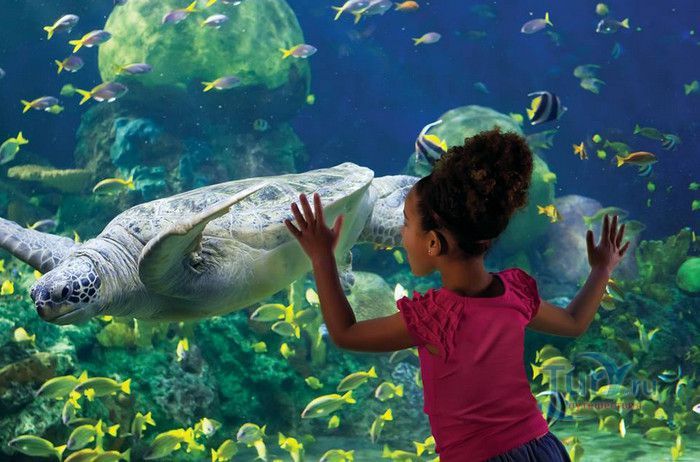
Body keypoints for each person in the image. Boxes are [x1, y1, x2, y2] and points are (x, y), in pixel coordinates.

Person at [284, 127, 630, 462]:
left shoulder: (437, 317)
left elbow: (346, 333)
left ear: (433, 243)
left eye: (406, 224)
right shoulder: (515, 292)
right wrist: (601, 270)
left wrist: (322, 256)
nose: (401, 234)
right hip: (540, 449)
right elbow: (573, 322)